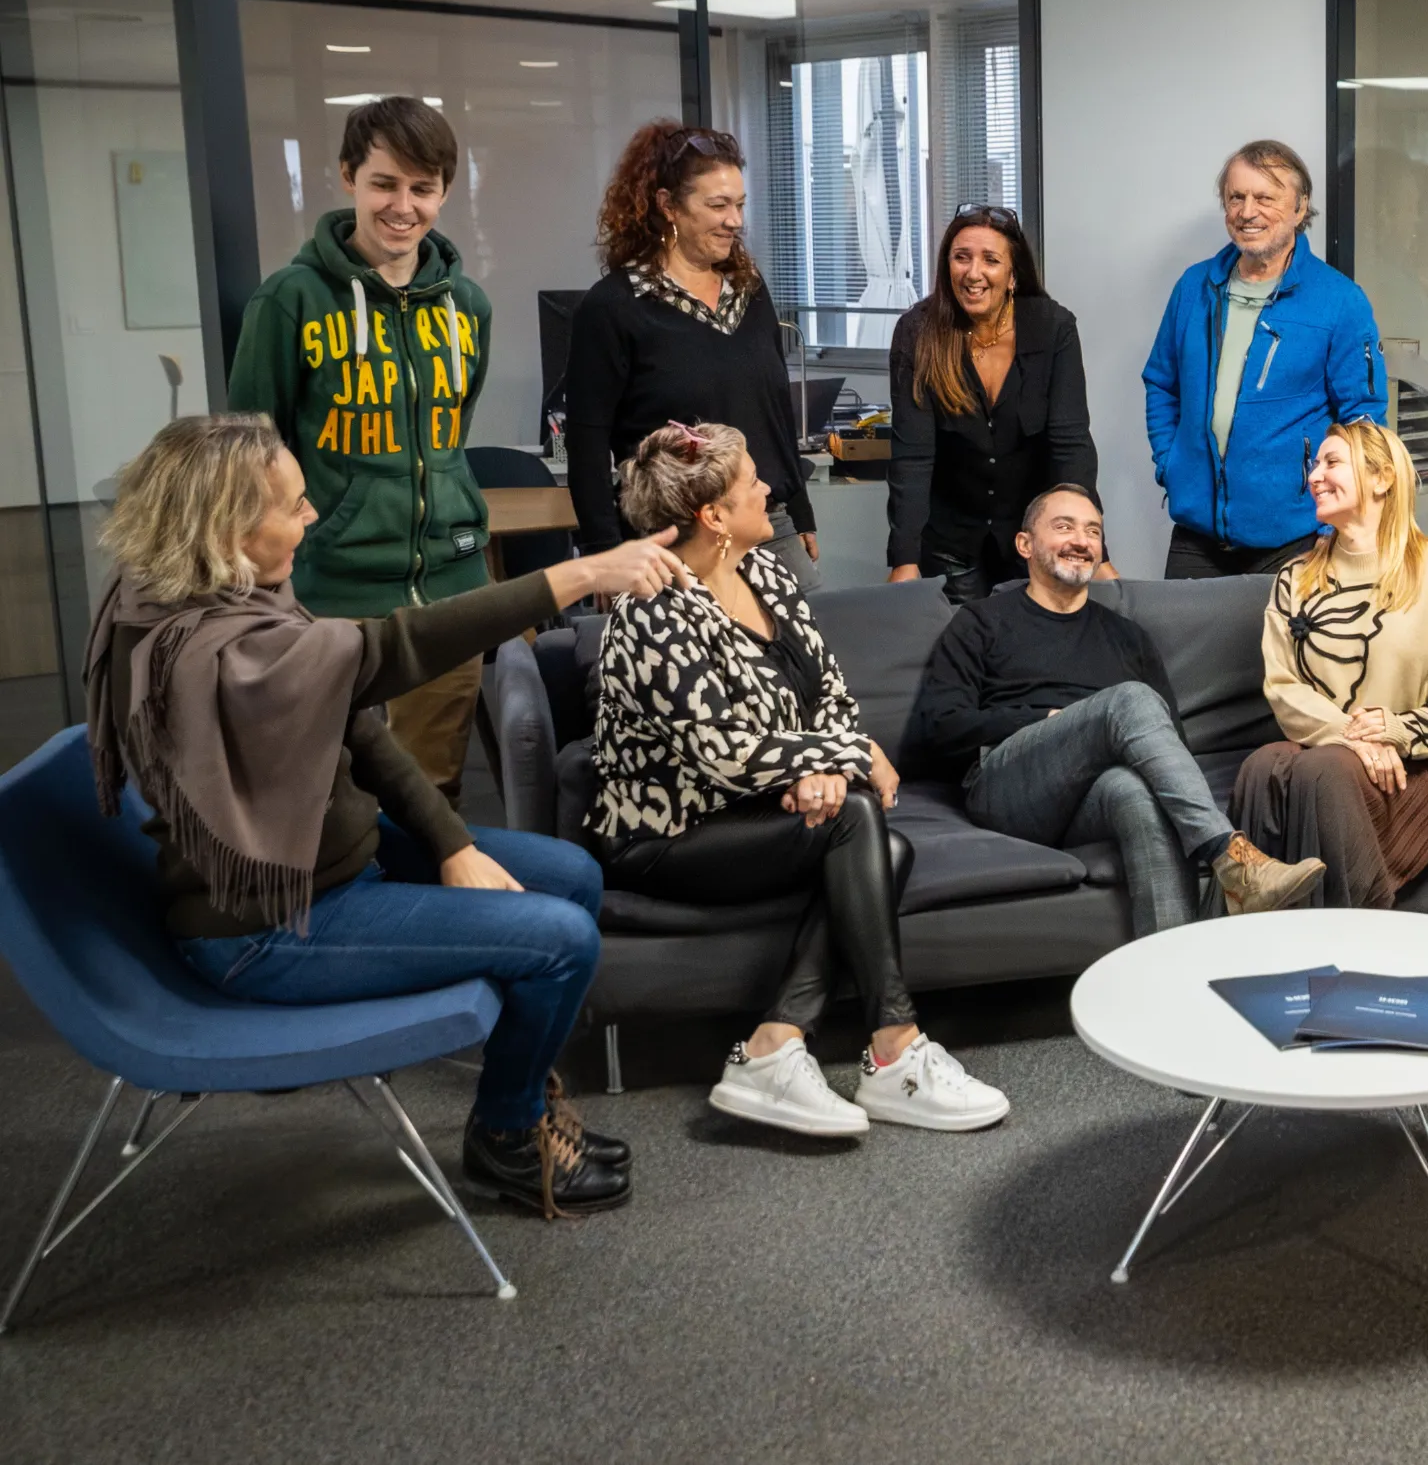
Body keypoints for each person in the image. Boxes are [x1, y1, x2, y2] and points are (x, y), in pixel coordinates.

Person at [87, 413, 689, 1217]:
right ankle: (507, 1133)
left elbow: (358, 729)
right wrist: (579, 576)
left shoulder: (240, 597)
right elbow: (390, 649)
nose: (311, 517)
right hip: (268, 924)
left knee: (571, 876)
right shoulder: (207, 648)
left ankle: (521, 1088)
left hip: (333, 862)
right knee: (561, 941)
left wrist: (449, 842)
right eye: (293, 506)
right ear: (228, 529)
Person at [593, 422, 1009, 1137]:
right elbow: (722, 749)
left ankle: (777, 1042)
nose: (769, 488)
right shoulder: (651, 609)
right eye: (751, 481)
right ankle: (895, 1047)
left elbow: (832, 695)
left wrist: (822, 762)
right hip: (668, 834)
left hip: (751, 806)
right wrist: (846, 754)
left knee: (887, 848)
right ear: (713, 515)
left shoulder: (767, 574)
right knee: (857, 823)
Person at [905, 484, 1325, 935]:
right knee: (1129, 699)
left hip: (1090, 798)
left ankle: (1171, 964)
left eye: (1093, 531)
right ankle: (1231, 856)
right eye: (1064, 527)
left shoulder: (1127, 637)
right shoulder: (980, 621)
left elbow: (1173, 741)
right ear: (1024, 544)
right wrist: (1044, 720)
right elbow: (937, 726)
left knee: (1132, 791)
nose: (1081, 541)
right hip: (1008, 787)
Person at [228, 96, 495, 800]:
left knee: (432, 790)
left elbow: (451, 433)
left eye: (422, 187)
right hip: (330, 587)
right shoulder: (289, 301)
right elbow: (251, 454)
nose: (403, 206)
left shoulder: (468, 306)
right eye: (384, 183)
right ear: (348, 177)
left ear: (444, 191)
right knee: (321, 790)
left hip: (449, 586)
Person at [1233, 420, 1428, 910]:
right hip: (1335, 754)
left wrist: (1398, 731)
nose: (1314, 476)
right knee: (1261, 767)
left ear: (1382, 478)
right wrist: (1353, 737)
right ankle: (1251, 938)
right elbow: (1283, 686)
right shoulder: (1294, 578)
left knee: (1321, 770)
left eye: (1332, 462)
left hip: (1421, 768)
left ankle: (1355, 933)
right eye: (1315, 464)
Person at [565, 121, 820, 588]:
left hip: (766, 523)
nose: (734, 220)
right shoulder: (614, 307)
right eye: (718, 205)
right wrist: (605, 553)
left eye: (739, 205)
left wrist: (801, 511)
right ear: (668, 206)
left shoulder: (749, 291)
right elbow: (586, 445)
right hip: (670, 542)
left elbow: (775, 414)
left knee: (813, 633)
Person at [1143, 139, 1385, 579]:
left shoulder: (1340, 301)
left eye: (1265, 198)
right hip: (1197, 536)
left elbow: (1363, 422)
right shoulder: (1194, 288)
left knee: (1284, 632)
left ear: (1300, 206)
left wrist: (1337, 521)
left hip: (1297, 538)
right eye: (1236, 197)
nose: (1247, 211)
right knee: (1177, 628)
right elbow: (1161, 382)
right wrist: (1170, 463)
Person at [887, 204, 1104, 604]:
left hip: (1032, 539)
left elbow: (1071, 446)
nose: (974, 273)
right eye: (962, 257)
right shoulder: (917, 332)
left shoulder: (1053, 328)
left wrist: (1094, 548)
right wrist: (904, 559)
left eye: (990, 259)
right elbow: (912, 458)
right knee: (960, 641)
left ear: (1013, 274)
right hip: (949, 541)